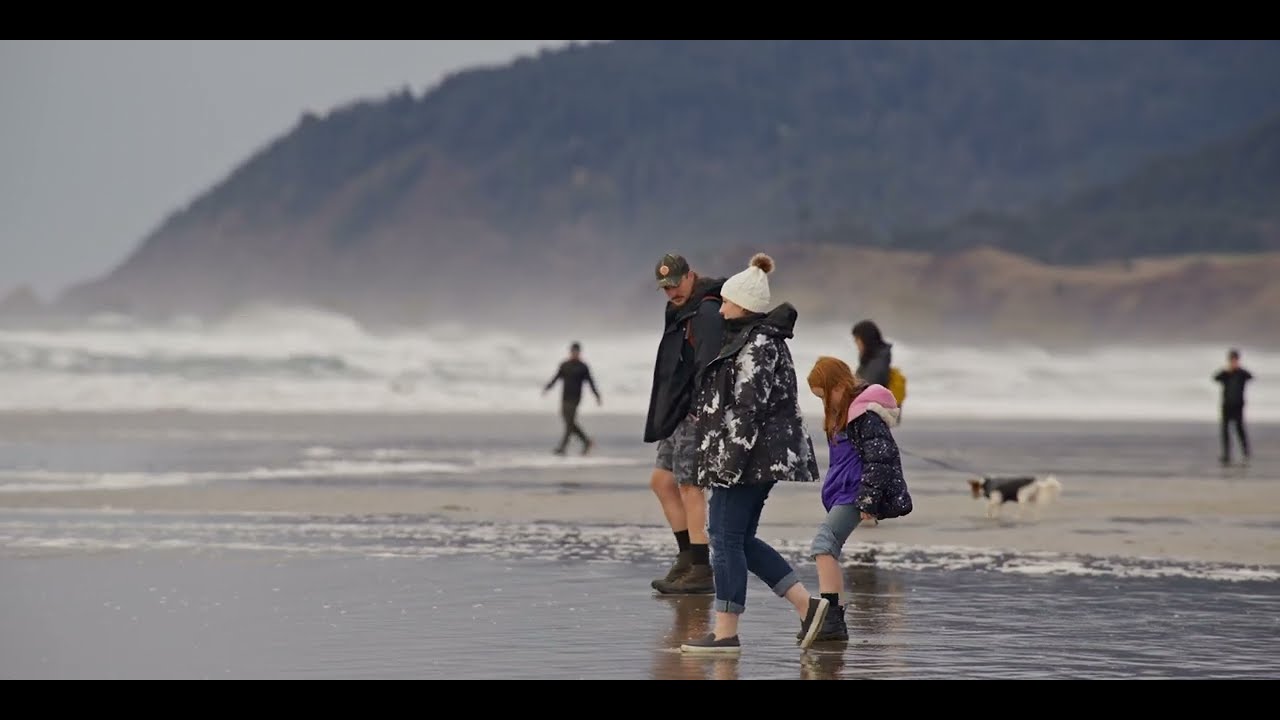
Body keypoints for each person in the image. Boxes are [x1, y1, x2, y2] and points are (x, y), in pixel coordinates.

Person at [678, 252, 829, 654]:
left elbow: (748, 410)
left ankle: (726, 633)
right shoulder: (749, 339)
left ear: (743, 304)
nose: (721, 307)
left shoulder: (758, 343)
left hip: (747, 461)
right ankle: (809, 607)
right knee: (739, 539)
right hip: (752, 459)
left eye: (727, 301)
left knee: (724, 540)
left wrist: (726, 466)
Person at [803, 355, 912, 642]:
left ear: (839, 385)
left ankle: (832, 618)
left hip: (855, 492)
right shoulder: (843, 414)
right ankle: (832, 619)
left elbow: (881, 459)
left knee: (824, 546)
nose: (825, 403)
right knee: (827, 547)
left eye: (825, 395)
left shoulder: (864, 414)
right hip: (843, 492)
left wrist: (868, 501)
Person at [644, 253, 726, 594]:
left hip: (697, 412)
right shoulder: (678, 309)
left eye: (676, 284)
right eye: (665, 288)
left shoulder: (706, 311)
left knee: (691, 488)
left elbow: (711, 365)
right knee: (662, 482)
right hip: (677, 410)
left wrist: (703, 411)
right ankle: (686, 556)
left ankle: (701, 569)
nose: (671, 292)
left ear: (690, 276)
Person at [542, 341, 601, 455]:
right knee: (569, 422)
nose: (575, 353)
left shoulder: (583, 367)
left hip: (575, 398)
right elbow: (556, 377)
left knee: (569, 423)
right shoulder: (564, 365)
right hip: (565, 397)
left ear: (579, 352)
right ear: (570, 352)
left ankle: (563, 448)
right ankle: (587, 441)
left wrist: (597, 395)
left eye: (576, 352)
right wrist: (548, 388)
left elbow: (591, 382)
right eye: (573, 351)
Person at [1214, 348, 1253, 465]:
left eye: (1235, 360)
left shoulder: (1241, 374)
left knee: (1239, 429)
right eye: (1231, 360)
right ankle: (1226, 454)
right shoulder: (1225, 374)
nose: (1233, 362)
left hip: (1238, 405)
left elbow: (1250, 377)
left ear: (1238, 360)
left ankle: (1246, 452)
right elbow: (1215, 378)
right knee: (1225, 430)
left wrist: (1238, 369)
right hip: (1226, 405)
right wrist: (1227, 371)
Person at [850, 319, 892, 387]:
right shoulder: (870, 359)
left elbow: (866, 391)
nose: (855, 342)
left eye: (857, 339)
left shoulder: (877, 364)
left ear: (866, 339)